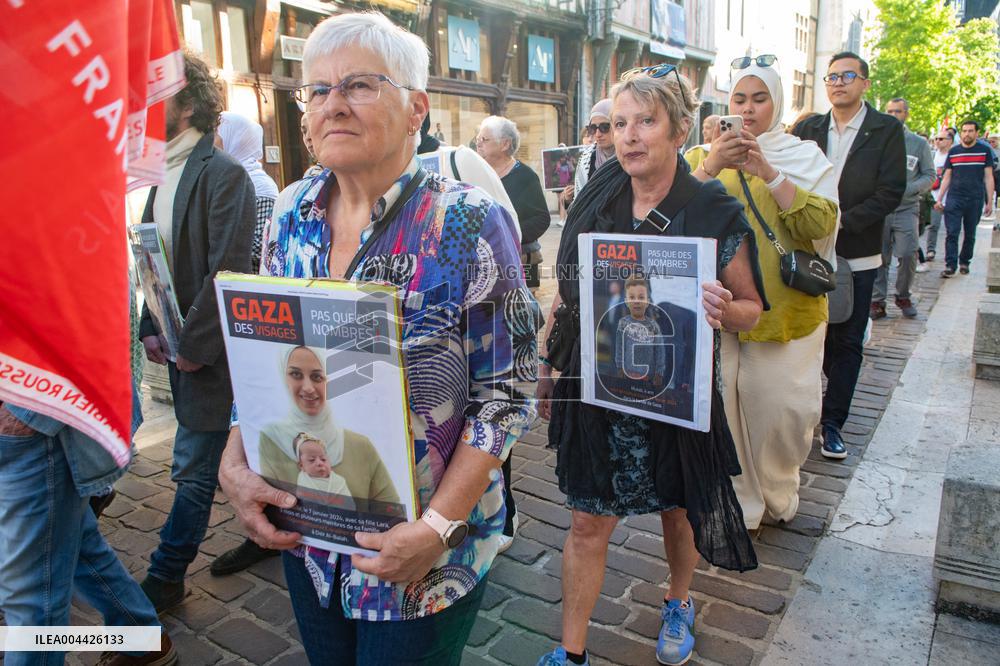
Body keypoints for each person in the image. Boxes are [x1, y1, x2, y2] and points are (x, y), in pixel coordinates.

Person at [217, 12, 539, 666]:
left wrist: (437, 527)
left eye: (359, 85)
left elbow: (509, 390)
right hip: (311, 542)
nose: (333, 104)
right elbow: (263, 358)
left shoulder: (468, 221)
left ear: (416, 106)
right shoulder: (289, 211)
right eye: (318, 90)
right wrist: (236, 460)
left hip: (422, 560)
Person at [537, 63, 766, 666]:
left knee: (678, 505)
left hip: (675, 386)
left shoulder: (712, 207)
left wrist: (724, 307)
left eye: (646, 120)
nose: (630, 135)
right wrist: (544, 360)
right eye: (619, 123)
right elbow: (568, 287)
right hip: (597, 383)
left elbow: (752, 310)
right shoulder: (599, 196)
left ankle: (679, 599)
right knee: (588, 520)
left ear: (679, 129)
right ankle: (572, 652)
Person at [685, 56, 839, 530]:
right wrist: (713, 162)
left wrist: (768, 172)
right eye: (739, 99)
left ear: (778, 103)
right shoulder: (700, 158)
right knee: (725, 414)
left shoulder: (804, 158)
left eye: (759, 99)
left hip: (786, 311)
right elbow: (670, 214)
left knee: (779, 410)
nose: (748, 110)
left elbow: (821, 225)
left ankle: (778, 488)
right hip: (717, 310)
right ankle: (742, 504)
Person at [138, 51, 257, 611]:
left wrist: (194, 346)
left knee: (193, 464)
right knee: (219, 456)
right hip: (182, 347)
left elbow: (229, 273)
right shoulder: (158, 174)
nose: (139, 107)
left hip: (214, 354)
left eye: (152, 95)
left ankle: (166, 573)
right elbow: (152, 260)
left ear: (187, 104)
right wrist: (150, 327)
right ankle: (271, 529)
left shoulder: (223, 173)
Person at [0, 388, 178, 666]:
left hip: (31, 412)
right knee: (72, 541)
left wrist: (26, 415)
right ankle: (144, 640)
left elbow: (78, 342)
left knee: (32, 593)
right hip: (25, 413)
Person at [792, 51, 905, 460]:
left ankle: (833, 422)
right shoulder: (809, 127)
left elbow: (890, 191)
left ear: (865, 82)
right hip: (808, 253)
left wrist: (839, 223)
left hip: (855, 254)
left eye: (847, 76)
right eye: (832, 76)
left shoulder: (886, 130)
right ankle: (806, 412)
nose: (838, 82)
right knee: (810, 337)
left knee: (848, 341)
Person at [258, 346, 399, 504]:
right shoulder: (271, 439)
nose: (308, 388)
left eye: (317, 377)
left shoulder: (360, 445)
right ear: (283, 377)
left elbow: (391, 511)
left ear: (328, 380)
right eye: (296, 374)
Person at [871, 98, 934, 319]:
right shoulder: (876, 140)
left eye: (897, 111)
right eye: (889, 111)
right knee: (879, 256)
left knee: (908, 252)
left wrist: (908, 189)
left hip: (906, 207)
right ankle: (877, 300)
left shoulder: (918, 143)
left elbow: (929, 175)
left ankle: (902, 294)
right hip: (880, 209)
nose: (892, 115)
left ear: (906, 114)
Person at [476, 115, 551, 289]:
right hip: (486, 264)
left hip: (521, 260)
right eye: (477, 139)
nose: (478, 144)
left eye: (484, 139)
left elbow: (541, 219)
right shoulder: (478, 173)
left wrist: (507, 234)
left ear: (505, 144)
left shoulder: (526, 177)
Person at [216, 112, 280, 272]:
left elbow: (260, 250)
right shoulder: (222, 180)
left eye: (218, 133)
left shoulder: (261, 187)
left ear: (236, 139)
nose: (212, 140)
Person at [936, 120, 996, 276]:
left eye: (970, 131)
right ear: (960, 133)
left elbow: (988, 177)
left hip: (975, 197)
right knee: (952, 232)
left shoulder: (984, 151)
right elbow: (947, 176)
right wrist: (940, 198)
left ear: (976, 133)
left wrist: (990, 201)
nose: (967, 134)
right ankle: (950, 265)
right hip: (955, 197)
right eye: (964, 131)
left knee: (970, 234)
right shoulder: (954, 151)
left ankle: (964, 262)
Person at [561, 99, 615, 211]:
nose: (598, 134)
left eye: (605, 127)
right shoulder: (587, 158)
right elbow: (579, 202)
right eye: (593, 128)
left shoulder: (630, 156)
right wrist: (568, 200)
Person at [613, 276, 666, 385]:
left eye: (641, 297)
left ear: (647, 301)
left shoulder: (653, 326)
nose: (636, 301)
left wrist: (659, 373)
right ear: (626, 301)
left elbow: (659, 351)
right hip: (628, 375)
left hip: (648, 377)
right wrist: (619, 368)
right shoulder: (623, 323)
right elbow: (619, 348)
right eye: (632, 297)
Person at [293, 433, 354, 504]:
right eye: (312, 460)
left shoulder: (339, 482)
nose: (320, 463)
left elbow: (349, 504)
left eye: (323, 459)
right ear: (301, 466)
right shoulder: (303, 481)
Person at [925, 130, 954, 262]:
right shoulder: (931, 155)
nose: (938, 141)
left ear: (950, 141)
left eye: (941, 139)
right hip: (933, 196)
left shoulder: (953, 156)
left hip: (951, 196)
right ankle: (930, 250)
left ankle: (951, 255)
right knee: (933, 225)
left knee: (952, 229)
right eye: (936, 138)